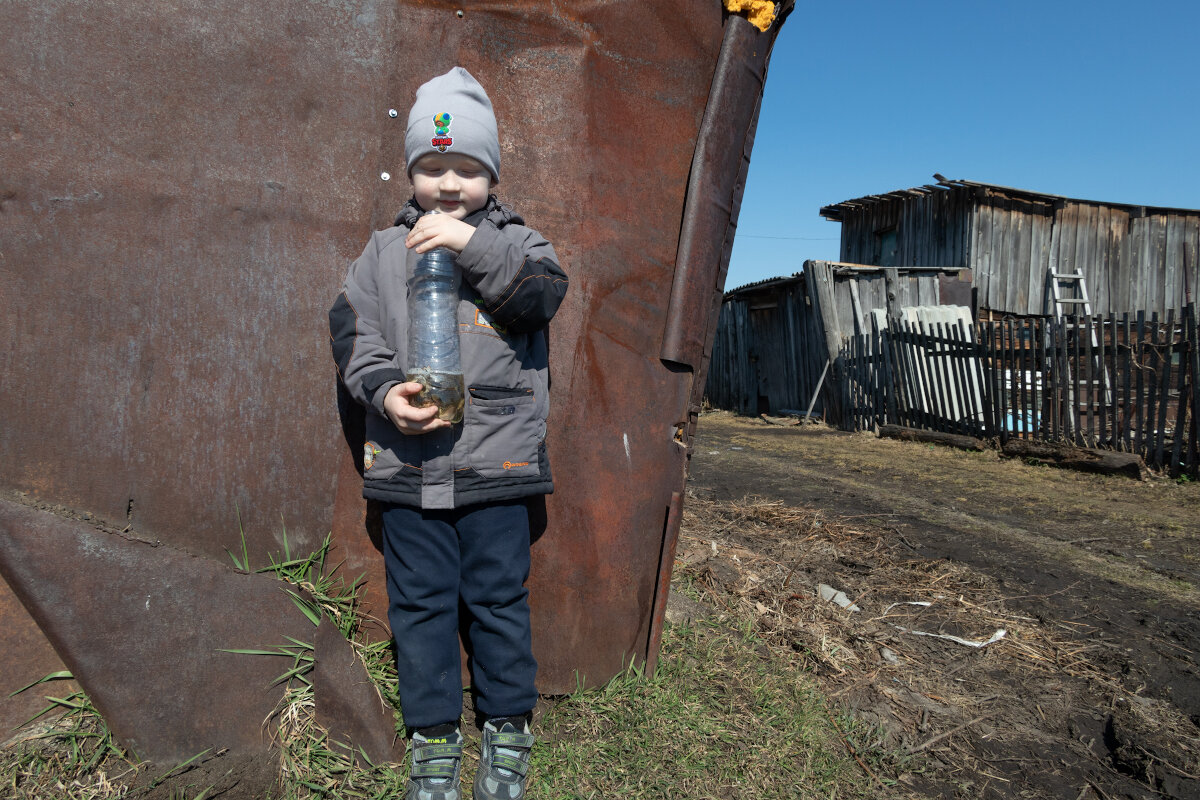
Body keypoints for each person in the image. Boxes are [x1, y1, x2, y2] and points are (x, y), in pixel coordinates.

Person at [328, 66, 567, 800]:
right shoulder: (379, 252)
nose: (450, 183)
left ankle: (508, 726)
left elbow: (539, 299)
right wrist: (382, 393)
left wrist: (469, 243)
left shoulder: (518, 243)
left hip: (496, 467)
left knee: (497, 600)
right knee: (421, 605)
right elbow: (352, 331)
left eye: (468, 168)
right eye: (433, 168)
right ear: (411, 172)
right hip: (407, 467)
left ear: (490, 176)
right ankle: (433, 738)